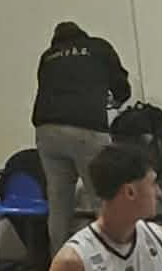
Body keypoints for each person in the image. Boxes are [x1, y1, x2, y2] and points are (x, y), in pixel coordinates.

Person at [34, 21, 132, 250]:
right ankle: (111, 258)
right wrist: (119, 99)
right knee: (102, 198)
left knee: (59, 204)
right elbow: (120, 84)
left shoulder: (48, 56)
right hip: (87, 128)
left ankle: (59, 262)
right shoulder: (98, 47)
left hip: (47, 131)